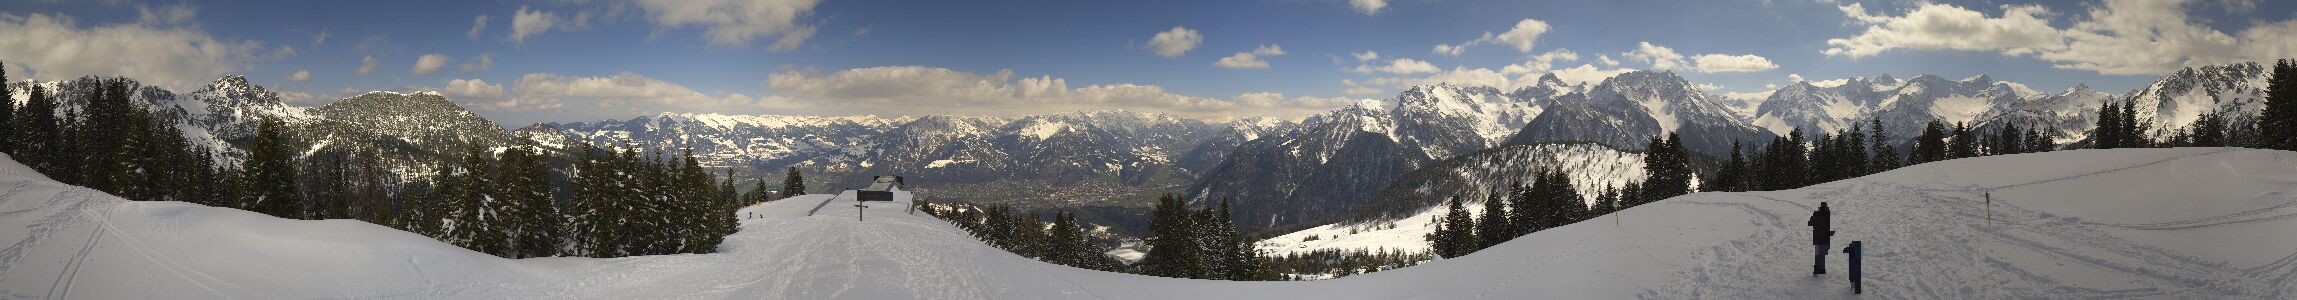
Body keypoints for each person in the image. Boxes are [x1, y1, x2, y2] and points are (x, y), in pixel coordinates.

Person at [1808, 202, 1834, 276]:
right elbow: (1826, 227)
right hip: (1824, 237)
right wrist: (1829, 233)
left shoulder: (1816, 213)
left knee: (1818, 254)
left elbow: (1810, 223)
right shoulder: (1827, 214)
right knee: (1822, 254)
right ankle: (1821, 270)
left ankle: (1816, 271)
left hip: (1817, 237)